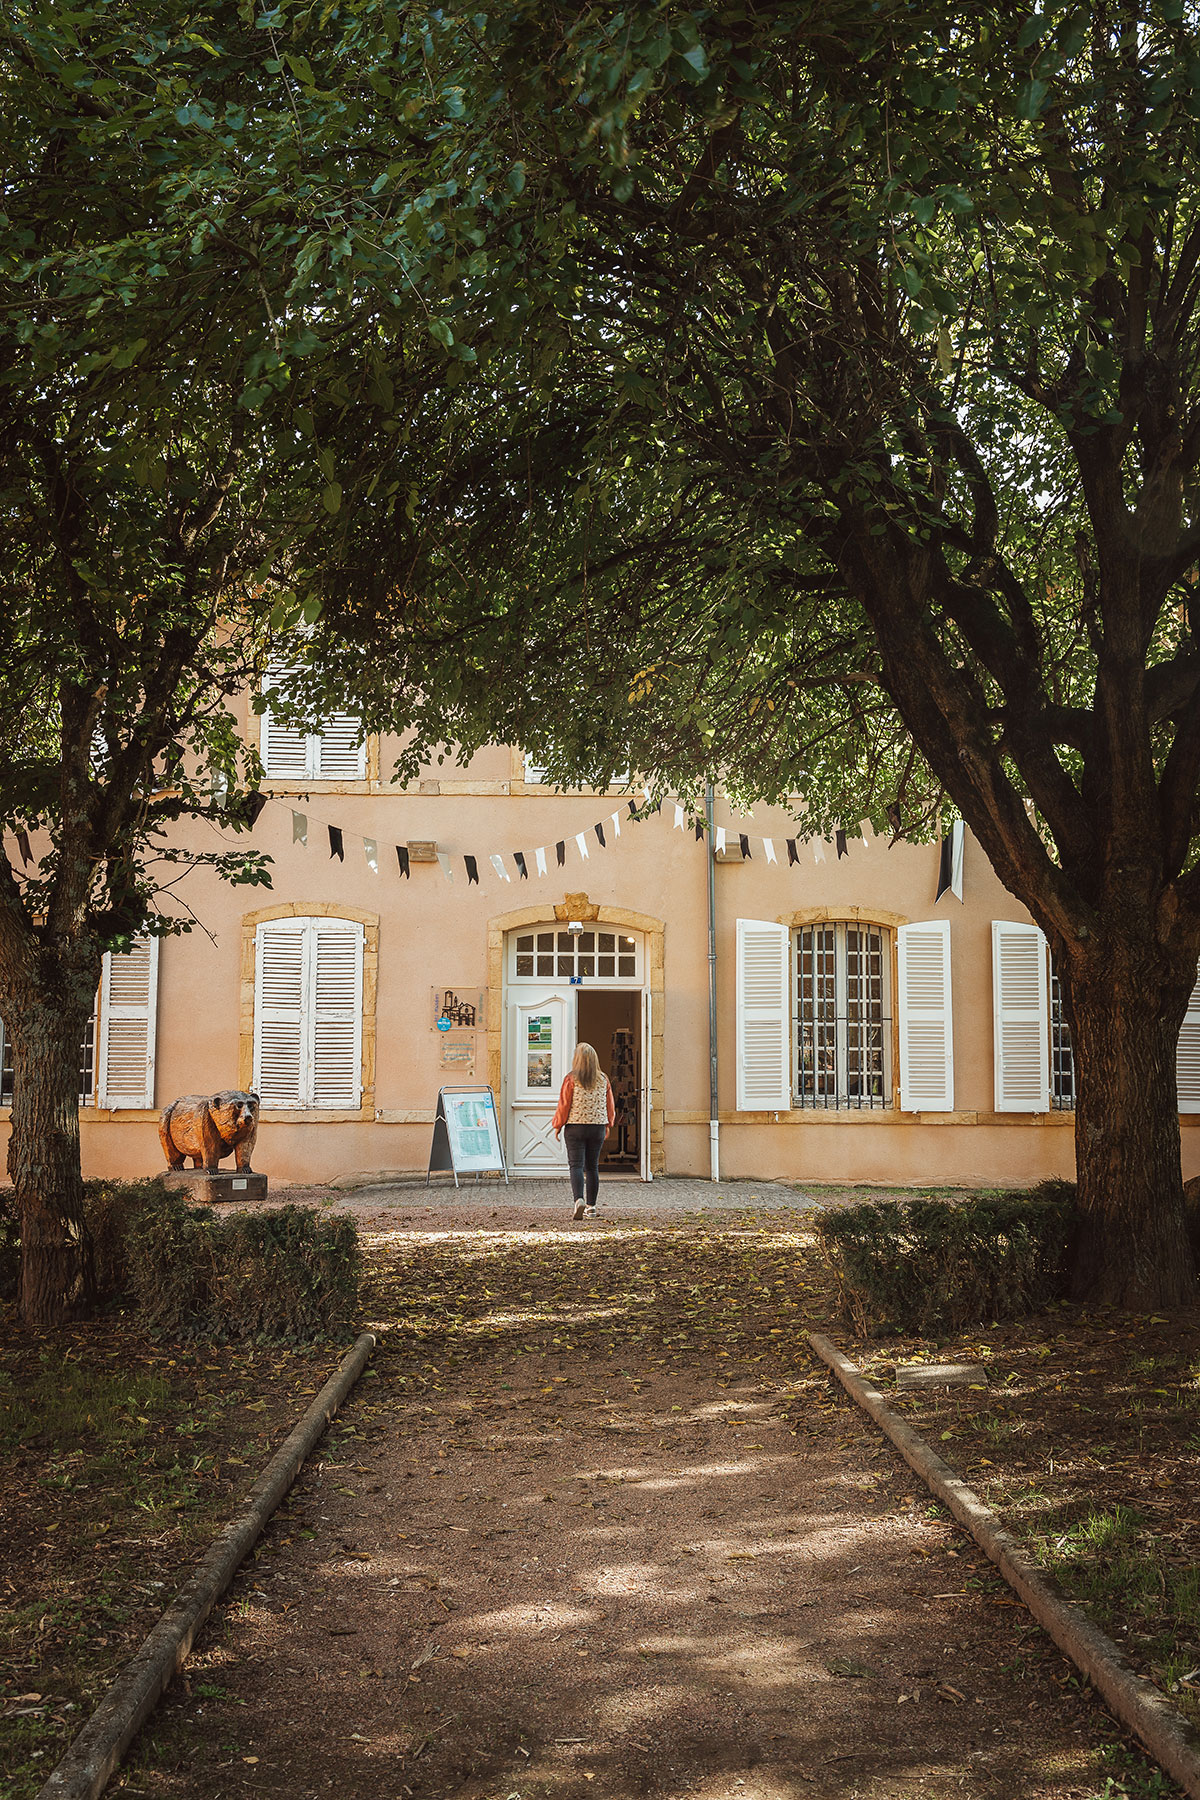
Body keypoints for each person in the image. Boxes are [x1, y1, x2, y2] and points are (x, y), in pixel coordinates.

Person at [553, 1041, 616, 1221]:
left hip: (575, 1127)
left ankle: (578, 1200)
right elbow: (610, 1105)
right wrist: (608, 1124)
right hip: (597, 1127)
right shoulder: (603, 1079)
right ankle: (592, 1207)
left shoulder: (571, 1079)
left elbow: (564, 1105)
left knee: (576, 1165)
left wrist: (558, 1125)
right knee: (592, 1166)